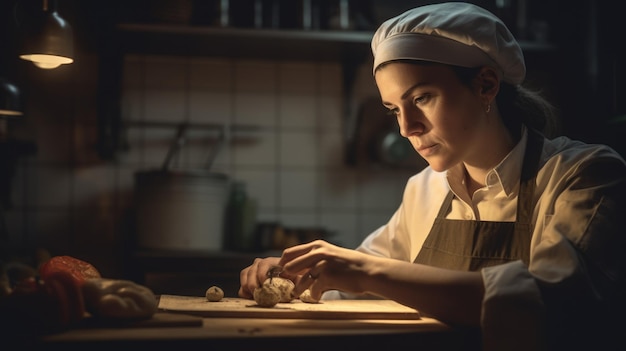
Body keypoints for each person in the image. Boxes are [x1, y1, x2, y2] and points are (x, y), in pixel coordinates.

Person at [238, 2, 626, 350]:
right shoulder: (425, 189)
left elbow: (548, 303)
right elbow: (355, 280)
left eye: (422, 98)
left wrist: (363, 271)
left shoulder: (585, 176)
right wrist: (295, 274)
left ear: (486, 84)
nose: (407, 127)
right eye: (394, 109)